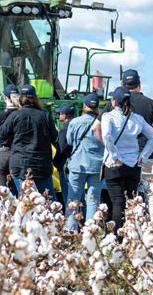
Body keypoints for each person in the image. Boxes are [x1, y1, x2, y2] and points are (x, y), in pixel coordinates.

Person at [93, 69, 153, 218]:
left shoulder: (110, 111)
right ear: (140, 83)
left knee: (118, 201)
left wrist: (110, 150)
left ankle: (119, 235)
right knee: (146, 197)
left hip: (117, 161)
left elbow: (98, 129)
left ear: (122, 84)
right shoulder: (151, 104)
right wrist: (150, 153)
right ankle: (150, 227)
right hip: (142, 159)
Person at [101, 87, 153, 233]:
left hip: (114, 164)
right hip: (134, 164)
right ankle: (132, 234)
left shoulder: (109, 117)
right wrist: (143, 156)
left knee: (117, 202)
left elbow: (107, 136)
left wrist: (115, 156)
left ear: (114, 101)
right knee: (131, 201)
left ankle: (118, 237)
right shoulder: (137, 118)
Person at [0, 84, 58, 200]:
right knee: (48, 201)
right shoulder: (45, 116)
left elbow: (2, 136)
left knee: (25, 202)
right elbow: (54, 138)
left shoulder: (15, 115)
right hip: (42, 166)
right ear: (35, 98)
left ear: (20, 98)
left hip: (20, 165)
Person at [65, 94, 104, 231]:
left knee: (73, 199)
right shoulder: (102, 122)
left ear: (85, 106)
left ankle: (71, 229)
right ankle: (90, 231)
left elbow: (69, 141)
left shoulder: (75, 122)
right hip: (97, 165)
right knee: (93, 200)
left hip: (78, 164)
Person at [0, 84, 20, 195]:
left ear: (4, 97)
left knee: (3, 190)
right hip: (19, 152)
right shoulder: (22, 114)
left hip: (3, 152)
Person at [52, 103, 76, 209]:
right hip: (75, 164)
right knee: (78, 197)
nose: (58, 115)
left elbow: (61, 149)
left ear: (65, 115)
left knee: (68, 198)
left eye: (60, 113)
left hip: (65, 166)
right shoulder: (76, 125)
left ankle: (70, 221)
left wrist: (56, 162)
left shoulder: (64, 129)